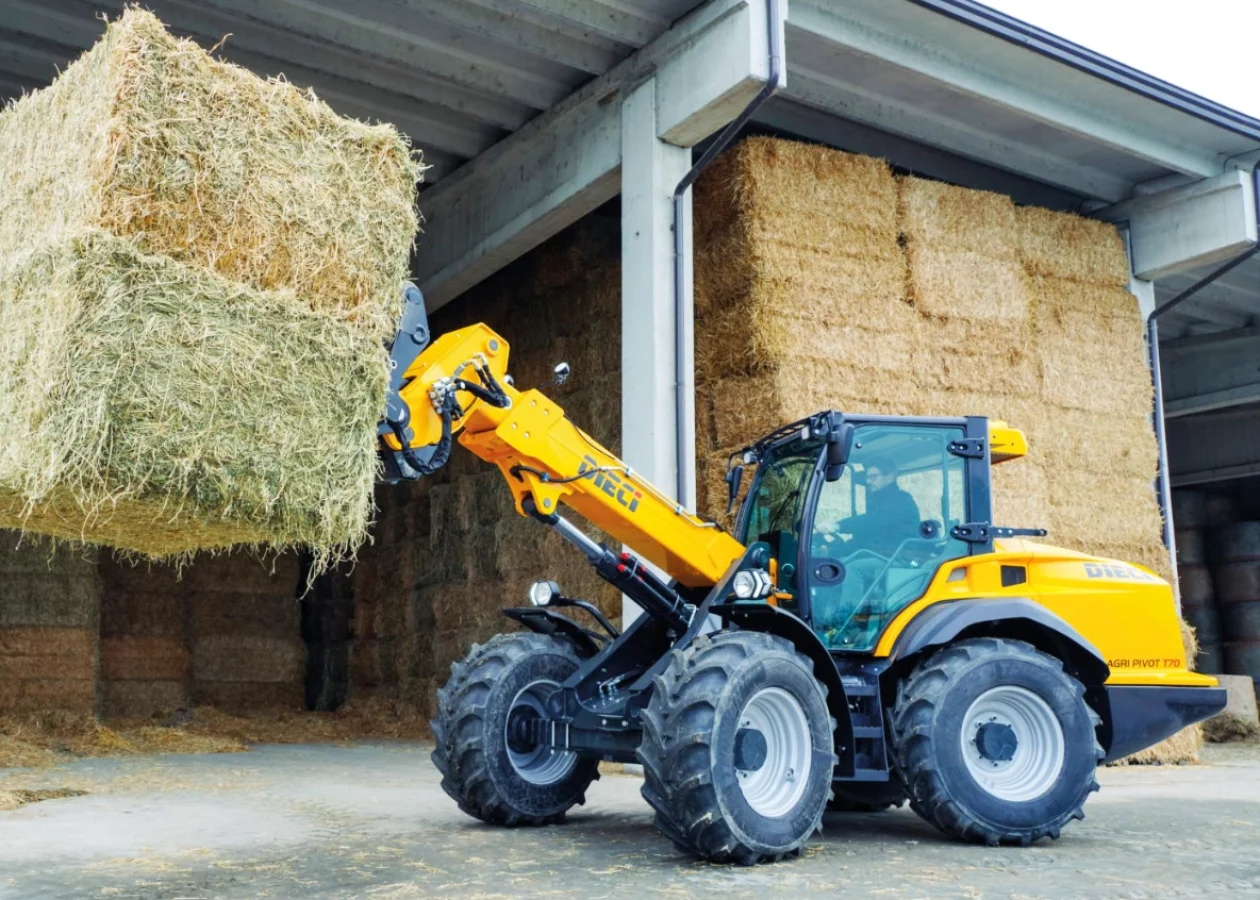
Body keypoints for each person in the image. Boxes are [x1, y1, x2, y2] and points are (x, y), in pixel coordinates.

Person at [813, 456, 921, 648]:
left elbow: (873, 522)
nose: (869, 480)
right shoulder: (880, 501)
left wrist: (838, 525)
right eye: (868, 477)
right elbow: (867, 537)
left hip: (901, 557)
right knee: (836, 565)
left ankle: (848, 627)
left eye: (874, 476)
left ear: (891, 476)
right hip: (883, 554)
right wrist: (835, 549)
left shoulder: (900, 500)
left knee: (852, 569)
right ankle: (822, 621)